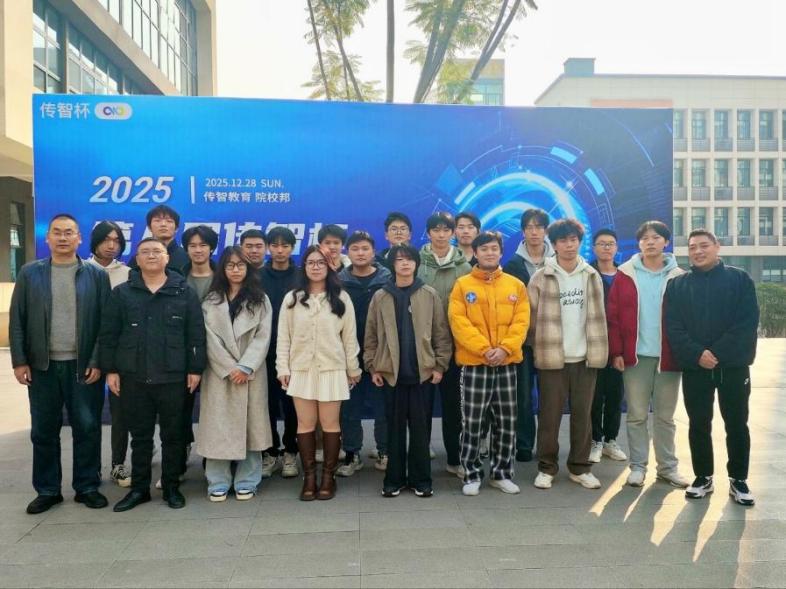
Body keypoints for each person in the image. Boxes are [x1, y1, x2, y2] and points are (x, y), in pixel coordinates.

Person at [10, 214, 111, 514]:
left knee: (87, 427)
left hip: (83, 366)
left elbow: (105, 323)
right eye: (57, 232)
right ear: (48, 238)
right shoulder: (30, 273)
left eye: (69, 233)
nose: (63, 238)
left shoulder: (96, 275)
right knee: (43, 430)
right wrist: (19, 361)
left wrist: (97, 360)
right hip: (43, 366)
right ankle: (48, 490)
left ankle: (87, 486)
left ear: (79, 238)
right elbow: (17, 320)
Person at [100, 237, 206, 511]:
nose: (151, 256)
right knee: (141, 437)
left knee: (173, 435)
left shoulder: (183, 291)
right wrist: (111, 369)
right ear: (136, 259)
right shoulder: (122, 293)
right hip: (134, 375)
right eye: (145, 252)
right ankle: (139, 489)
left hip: (174, 376)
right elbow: (109, 334)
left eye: (157, 251)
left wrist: (195, 369)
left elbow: (196, 333)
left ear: (167, 258)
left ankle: (171, 487)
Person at [665, 230, 759, 506]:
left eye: (704, 245)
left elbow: (747, 322)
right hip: (696, 368)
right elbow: (673, 327)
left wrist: (716, 353)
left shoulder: (739, 279)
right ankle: (703, 476)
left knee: (737, 424)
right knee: (698, 423)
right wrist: (697, 354)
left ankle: (738, 479)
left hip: (733, 367)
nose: (698, 251)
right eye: (692, 247)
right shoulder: (677, 285)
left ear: (717, 247)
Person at [364, 244, 452, 497]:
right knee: (394, 430)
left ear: (416, 263)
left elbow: (441, 334)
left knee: (421, 430)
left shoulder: (429, 294)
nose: (404, 263)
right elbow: (370, 335)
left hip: (423, 374)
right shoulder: (381, 296)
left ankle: (421, 480)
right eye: (399, 260)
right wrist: (372, 366)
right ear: (392, 265)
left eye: (409, 259)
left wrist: (439, 365)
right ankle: (394, 480)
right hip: (391, 375)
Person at [607, 220, 689, 489]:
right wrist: (617, 352)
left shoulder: (678, 276)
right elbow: (613, 317)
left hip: (668, 358)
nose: (650, 242)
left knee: (665, 417)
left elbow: (686, 318)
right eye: (644, 238)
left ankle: (667, 468)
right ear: (639, 243)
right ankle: (638, 467)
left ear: (666, 242)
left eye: (656, 237)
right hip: (636, 357)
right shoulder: (625, 274)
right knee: (637, 415)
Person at [276, 245, 361, 501]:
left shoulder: (341, 298)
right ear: (304, 266)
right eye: (311, 262)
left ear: (329, 266)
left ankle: (328, 477)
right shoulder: (292, 298)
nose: (315, 267)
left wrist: (353, 368)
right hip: (301, 369)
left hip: (332, 369)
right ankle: (309, 478)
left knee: (330, 424)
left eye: (321, 262)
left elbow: (349, 338)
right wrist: (283, 368)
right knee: (305, 424)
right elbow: (283, 337)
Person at [528, 219, 607, 491]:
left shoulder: (591, 275)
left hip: (585, 358)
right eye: (563, 240)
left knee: (583, 416)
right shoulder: (541, 277)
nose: (569, 245)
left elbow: (600, 314)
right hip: (552, 360)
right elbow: (531, 319)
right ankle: (546, 467)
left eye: (573, 240)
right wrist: (541, 347)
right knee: (549, 417)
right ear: (554, 244)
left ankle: (579, 467)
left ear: (579, 242)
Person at [449, 231, 529, 496]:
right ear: (475, 253)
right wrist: (484, 350)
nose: (489, 253)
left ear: (501, 252)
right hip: (475, 363)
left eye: (494, 248)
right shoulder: (462, 285)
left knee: (506, 421)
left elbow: (521, 322)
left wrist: (505, 348)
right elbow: (459, 323)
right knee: (473, 422)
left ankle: (501, 474)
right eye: (484, 249)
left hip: (507, 363)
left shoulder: (516, 285)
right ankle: (471, 474)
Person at [197, 246, 273, 502]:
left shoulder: (260, 299)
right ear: (223, 269)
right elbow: (208, 338)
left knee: (251, 428)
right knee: (218, 426)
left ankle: (247, 480)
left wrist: (245, 366)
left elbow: (263, 336)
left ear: (248, 268)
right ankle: (217, 481)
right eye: (230, 265)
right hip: (220, 374)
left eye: (241, 265)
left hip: (250, 373)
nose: (236, 270)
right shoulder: (210, 300)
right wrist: (230, 368)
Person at [418, 211, 471, 477]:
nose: (441, 235)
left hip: (455, 348)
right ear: (428, 233)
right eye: (435, 230)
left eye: (445, 230)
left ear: (452, 233)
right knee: (421, 407)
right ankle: (419, 457)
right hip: (421, 348)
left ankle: (454, 458)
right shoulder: (416, 263)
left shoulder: (465, 267)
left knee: (453, 407)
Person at [501, 208, 554, 463]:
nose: (534, 232)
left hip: (552, 340)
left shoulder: (557, 262)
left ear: (546, 231)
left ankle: (547, 445)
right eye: (529, 227)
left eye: (539, 227)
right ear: (523, 231)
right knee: (522, 396)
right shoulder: (512, 265)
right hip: (522, 341)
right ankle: (523, 444)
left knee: (549, 396)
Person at [337, 231, 391, 476]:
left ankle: (385, 451)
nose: (360, 253)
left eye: (365, 249)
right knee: (350, 409)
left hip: (381, 353)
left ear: (373, 252)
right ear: (347, 252)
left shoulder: (387, 279)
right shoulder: (338, 282)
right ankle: (352, 454)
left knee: (383, 408)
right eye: (355, 249)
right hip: (347, 353)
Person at [86, 221, 132, 488]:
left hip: (117, 354)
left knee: (120, 414)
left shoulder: (127, 274)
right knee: (87, 417)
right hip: (86, 355)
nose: (111, 245)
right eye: (106, 239)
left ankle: (118, 464)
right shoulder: (82, 270)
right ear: (95, 241)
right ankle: (89, 469)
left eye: (116, 240)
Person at [260, 226, 300, 479]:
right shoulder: (257, 277)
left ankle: (291, 451)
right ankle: (270, 451)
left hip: (295, 351)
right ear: (268, 248)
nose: (280, 250)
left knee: (292, 404)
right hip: (263, 351)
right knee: (266, 404)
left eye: (285, 245)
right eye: (274, 245)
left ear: (292, 248)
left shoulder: (301, 276)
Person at [588, 229, 627, 464]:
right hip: (593, 344)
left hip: (619, 347)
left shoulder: (625, 275)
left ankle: (611, 440)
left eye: (610, 243)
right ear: (594, 248)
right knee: (594, 397)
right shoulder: (586, 273)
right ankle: (595, 440)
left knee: (615, 395)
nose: (606, 247)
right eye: (601, 244)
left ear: (616, 248)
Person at [129, 205, 190, 275]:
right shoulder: (140, 258)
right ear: (149, 227)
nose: (163, 224)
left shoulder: (187, 257)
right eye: (157, 220)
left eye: (169, 221)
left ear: (176, 228)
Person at [183, 225, 218, 301]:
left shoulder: (222, 277)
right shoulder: (179, 278)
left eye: (203, 245)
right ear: (186, 249)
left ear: (211, 248)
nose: (198, 250)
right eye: (193, 246)